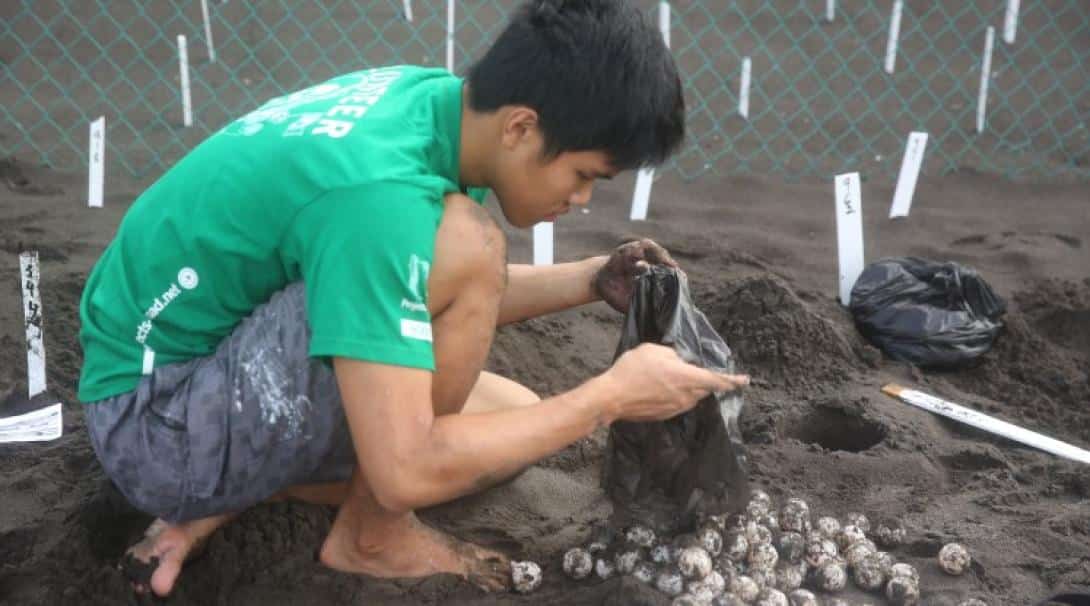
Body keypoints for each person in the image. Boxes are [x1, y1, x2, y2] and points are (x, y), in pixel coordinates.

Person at [77, 0, 749, 597]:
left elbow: (405, 286)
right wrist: (608, 397)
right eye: (582, 176)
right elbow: (406, 465)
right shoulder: (384, 199)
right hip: (156, 423)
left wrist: (588, 280)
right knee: (466, 261)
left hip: (203, 359)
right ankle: (371, 536)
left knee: (511, 421)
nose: (581, 201)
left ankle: (226, 502)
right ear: (521, 127)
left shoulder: (431, 104)